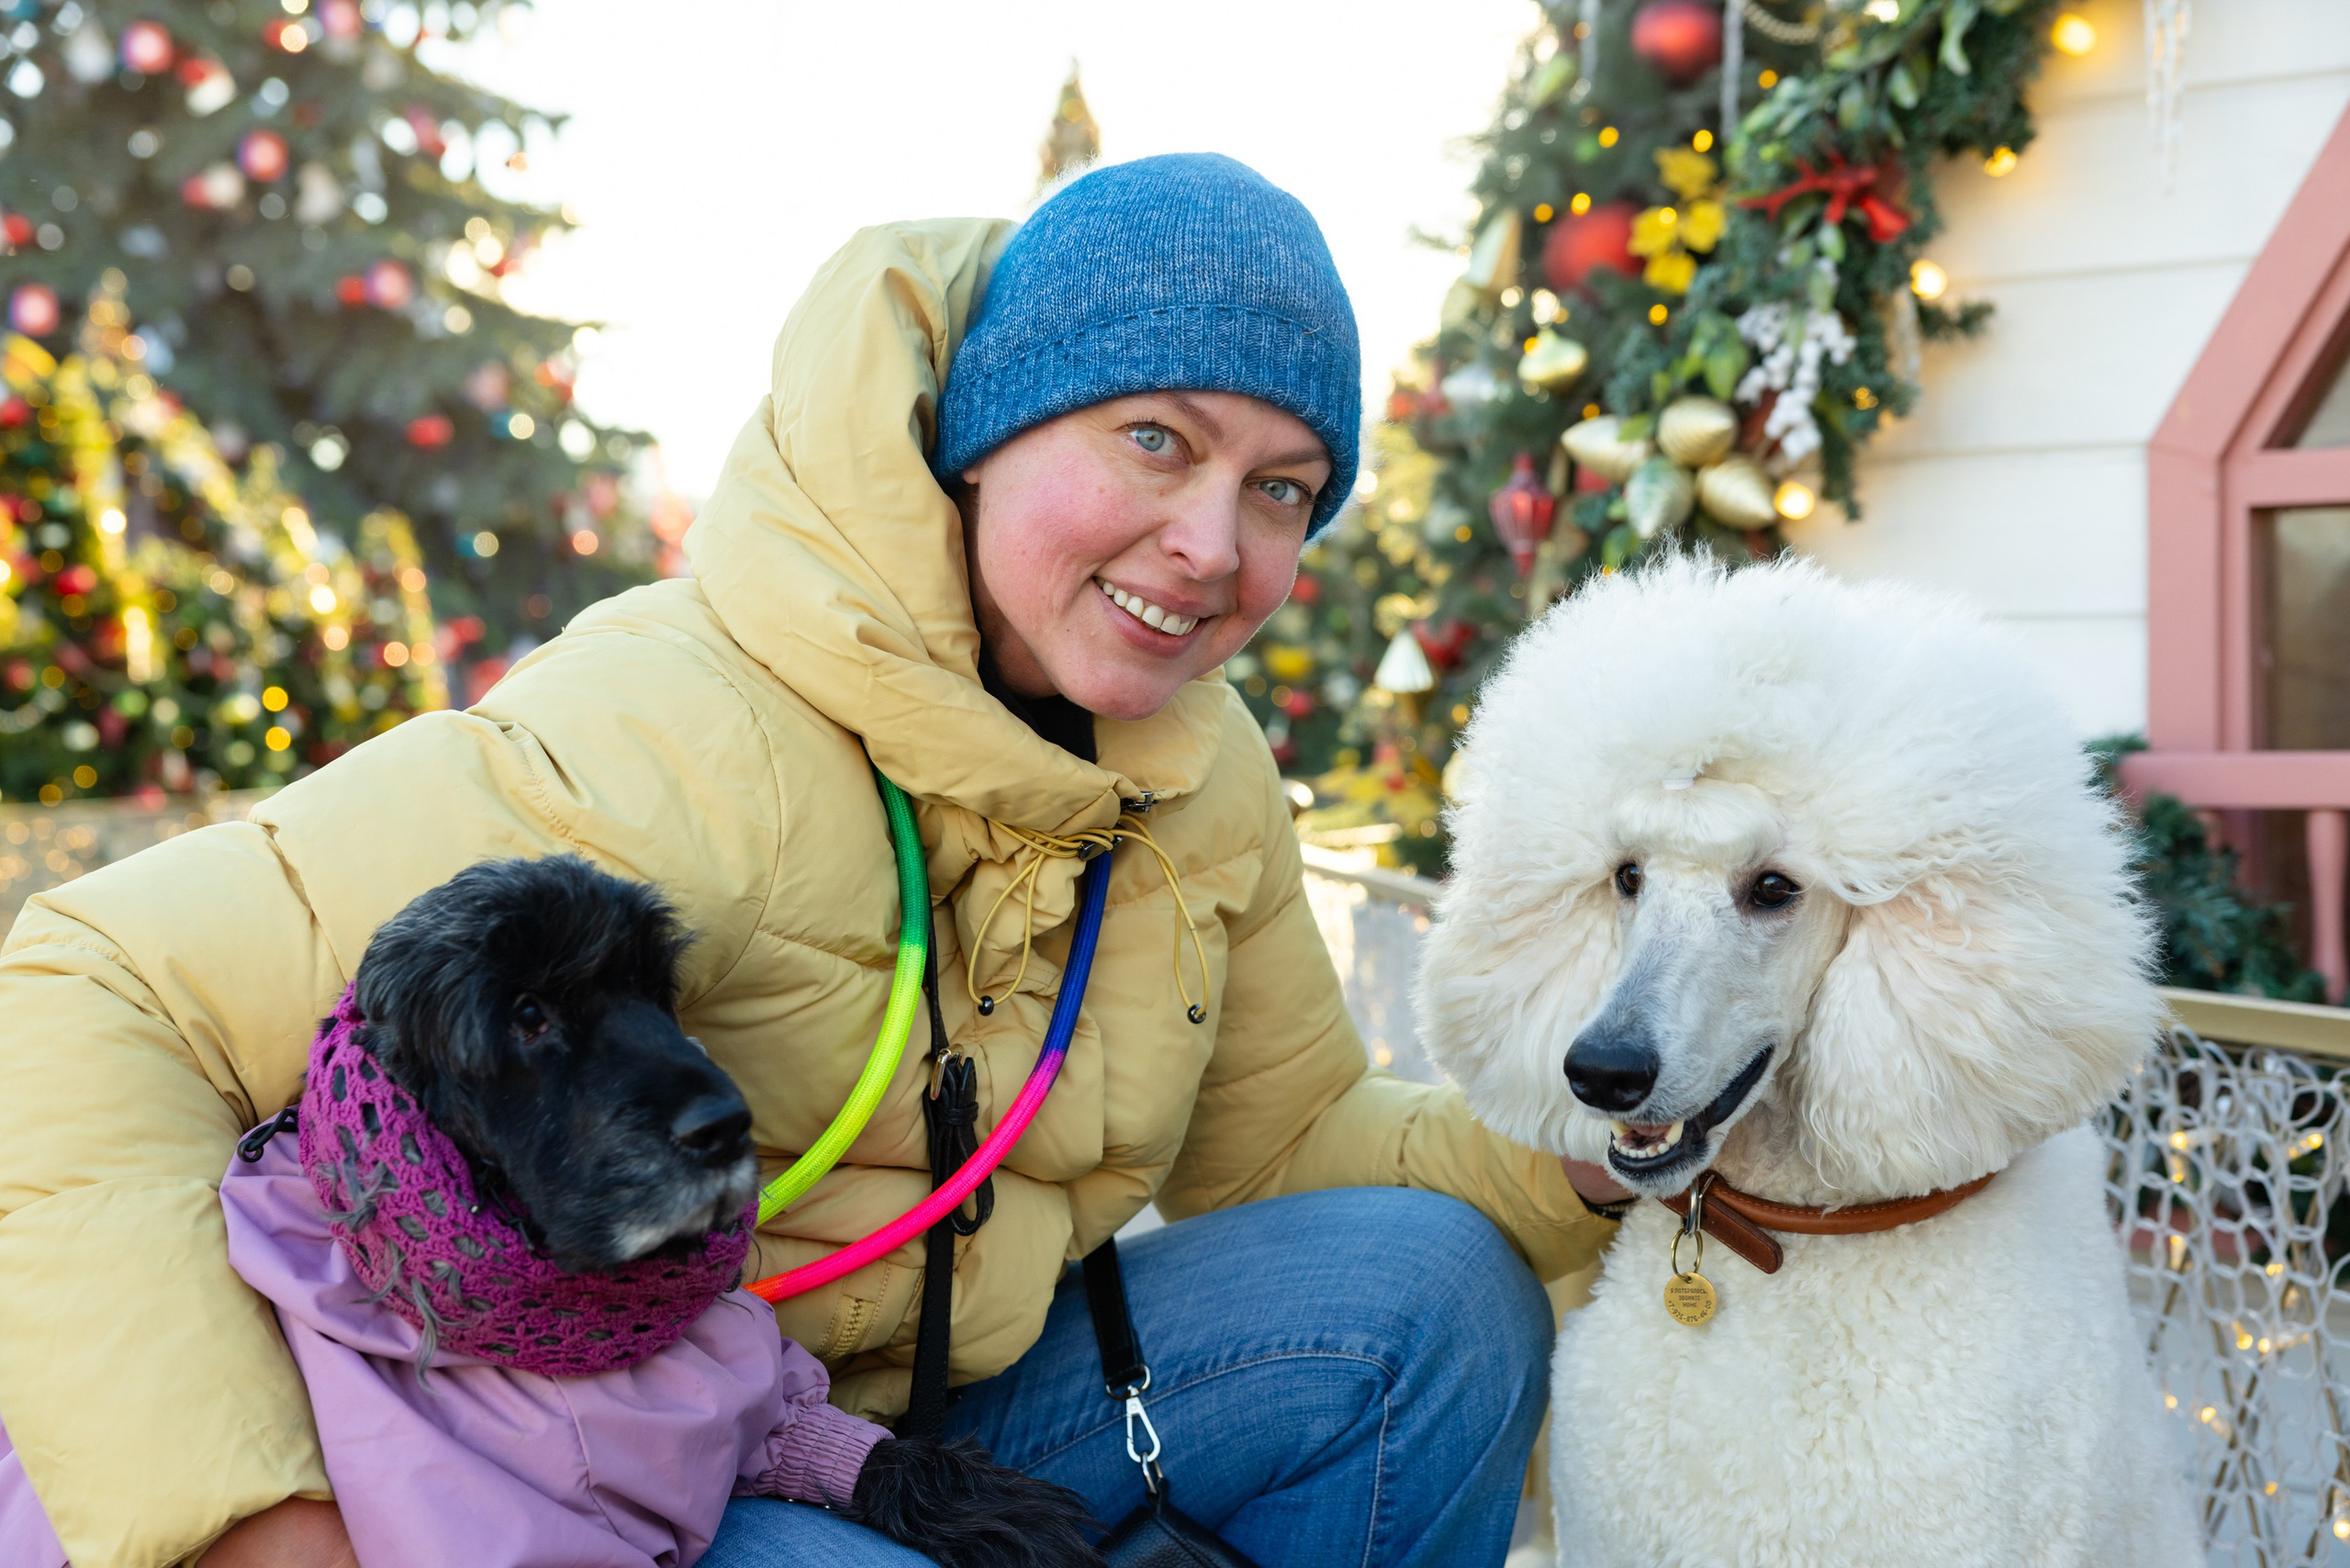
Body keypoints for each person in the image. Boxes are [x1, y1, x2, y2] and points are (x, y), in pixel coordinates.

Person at [0, 153, 1623, 1568]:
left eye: (1281, 490)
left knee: (1434, 1299)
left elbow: (1292, 1144)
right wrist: (251, 1526)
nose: (1213, 546)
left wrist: (1601, 1148)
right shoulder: (668, 731)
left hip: (955, 1405)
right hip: (621, 1443)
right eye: (1154, 439)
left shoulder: (1202, 776)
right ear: (990, 429)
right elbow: (87, 993)